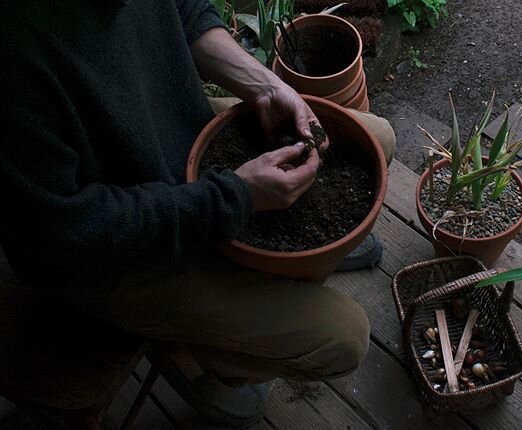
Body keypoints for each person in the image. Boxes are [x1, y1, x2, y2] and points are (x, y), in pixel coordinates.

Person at [0, 0, 395, 427]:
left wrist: (264, 85)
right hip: (118, 256)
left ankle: (296, 269)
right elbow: (65, 232)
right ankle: (217, 362)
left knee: (378, 138)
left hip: (175, 139)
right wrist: (232, 198)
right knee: (343, 339)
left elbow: (185, 11)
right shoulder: (12, 56)